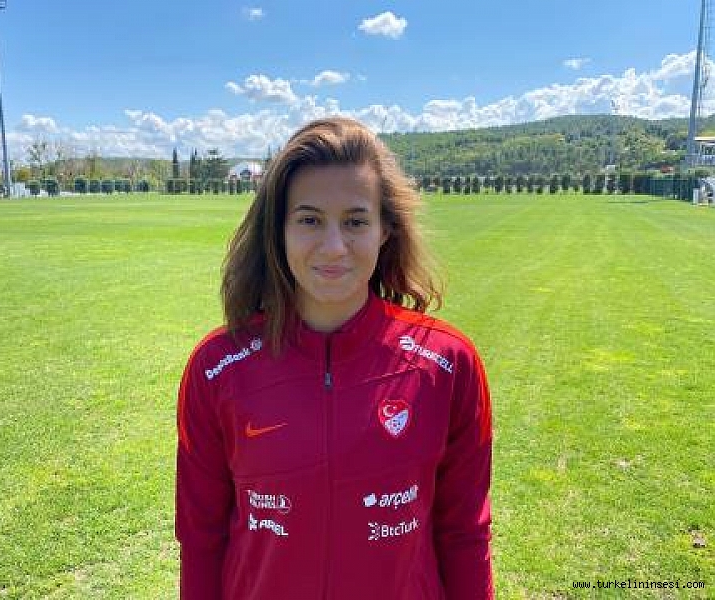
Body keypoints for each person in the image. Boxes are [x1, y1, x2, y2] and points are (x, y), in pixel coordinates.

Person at [175, 117, 493, 600]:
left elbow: (465, 534)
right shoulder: (217, 368)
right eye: (309, 220)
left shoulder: (447, 364)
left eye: (355, 221)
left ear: (385, 229)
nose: (333, 247)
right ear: (278, 229)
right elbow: (201, 540)